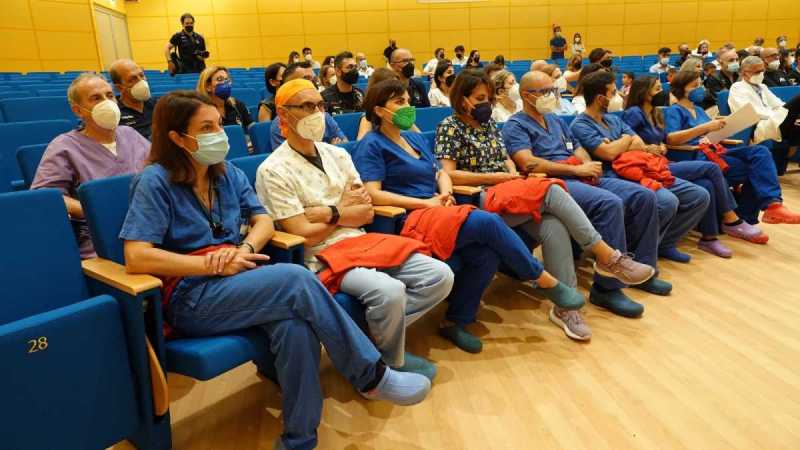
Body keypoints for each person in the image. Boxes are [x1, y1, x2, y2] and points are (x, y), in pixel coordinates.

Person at [122, 91, 432, 450]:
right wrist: (207, 263)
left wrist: (245, 249)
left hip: (237, 277)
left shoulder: (226, 173)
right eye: (206, 128)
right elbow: (137, 256)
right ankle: (370, 374)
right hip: (191, 295)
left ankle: (299, 439)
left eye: (219, 125)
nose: (219, 134)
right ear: (177, 138)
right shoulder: (154, 181)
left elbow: (263, 220)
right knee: (297, 278)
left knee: (294, 327)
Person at [354, 78, 587, 352]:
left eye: (407, 100)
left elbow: (440, 172)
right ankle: (542, 279)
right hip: (409, 217)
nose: (407, 106)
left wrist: (445, 192)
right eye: (398, 102)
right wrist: (426, 203)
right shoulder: (372, 144)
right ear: (379, 110)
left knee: (485, 254)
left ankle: (455, 321)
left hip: (439, 208)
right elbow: (374, 194)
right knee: (487, 221)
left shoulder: (413, 138)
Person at [433, 70, 654, 340]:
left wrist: (511, 171)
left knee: (554, 225)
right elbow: (449, 174)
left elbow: (506, 158)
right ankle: (608, 257)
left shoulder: (489, 125)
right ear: (462, 99)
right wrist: (500, 177)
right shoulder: (450, 127)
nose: (486, 104)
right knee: (551, 188)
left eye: (489, 98)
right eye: (480, 98)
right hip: (480, 197)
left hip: (510, 190)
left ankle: (565, 308)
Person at [257, 79, 454, 380]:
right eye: (307, 106)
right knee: (389, 292)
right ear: (283, 114)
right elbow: (303, 234)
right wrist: (344, 210)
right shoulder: (273, 169)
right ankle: (389, 360)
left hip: (360, 240)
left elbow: (366, 212)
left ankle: (368, 336)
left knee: (439, 276)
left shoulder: (338, 154)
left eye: (320, 105)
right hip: (322, 256)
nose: (317, 113)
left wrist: (329, 212)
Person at [502, 71, 665, 317]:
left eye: (554, 90)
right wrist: (575, 170)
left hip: (579, 175)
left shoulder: (555, 120)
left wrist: (588, 166)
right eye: (546, 91)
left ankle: (643, 269)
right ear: (526, 95)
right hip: (553, 182)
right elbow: (527, 162)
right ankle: (607, 289)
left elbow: (577, 148)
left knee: (643, 196)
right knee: (609, 203)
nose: (553, 95)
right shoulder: (515, 125)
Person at [571, 71, 709, 264]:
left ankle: (663, 243)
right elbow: (608, 154)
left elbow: (640, 144)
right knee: (667, 202)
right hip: (614, 174)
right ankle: (636, 253)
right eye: (613, 92)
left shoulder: (613, 119)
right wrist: (626, 140)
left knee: (699, 195)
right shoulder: (580, 124)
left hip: (643, 168)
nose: (617, 96)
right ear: (600, 98)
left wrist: (619, 143)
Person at [623, 75, 765, 257]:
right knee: (711, 169)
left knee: (706, 184)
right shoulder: (634, 113)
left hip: (661, 162)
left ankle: (709, 239)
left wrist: (661, 146)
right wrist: (647, 147)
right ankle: (731, 218)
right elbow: (626, 139)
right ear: (644, 93)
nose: (662, 92)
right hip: (648, 166)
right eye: (657, 89)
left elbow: (663, 140)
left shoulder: (655, 113)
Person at [32, 73, 150, 259]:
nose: (107, 103)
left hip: (151, 226)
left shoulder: (130, 134)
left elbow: (160, 171)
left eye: (109, 96)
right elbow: (45, 195)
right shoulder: (65, 146)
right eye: (96, 98)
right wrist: (94, 209)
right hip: (104, 237)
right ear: (77, 110)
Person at [665, 69, 800, 225]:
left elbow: (710, 133)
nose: (700, 89)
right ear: (681, 88)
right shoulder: (673, 110)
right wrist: (705, 127)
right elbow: (671, 138)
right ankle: (747, 216)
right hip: (698, 157)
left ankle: (773, 206)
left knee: (761, 152)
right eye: (694, 86)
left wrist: (723, 127)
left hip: (717, 150)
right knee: (758, 169)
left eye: (700, 85)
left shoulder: (699, 110)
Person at [269, 62, 347, 152]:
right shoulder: (280, 125)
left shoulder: (324, 115)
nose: (312, 83)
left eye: (313, 79)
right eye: (306, 79)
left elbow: (344, 146)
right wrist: (331, 149)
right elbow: (290, 157)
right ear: (288, 84)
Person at [196, 66, 252, 132]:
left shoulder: (237, 105)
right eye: (220, 79)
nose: (225, 83)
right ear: (208, 87)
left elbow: (252, 127)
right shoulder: (200, 112)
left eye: (227, 79)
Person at [109, 59, 155, 139]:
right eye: (132, 79)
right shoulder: (114, 113)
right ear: (120, 87)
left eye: (142, 75)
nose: (141, 81)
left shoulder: (156, 104)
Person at [321, 51, 365, 115]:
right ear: (338, 71)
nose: (354, 70)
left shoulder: (360, 94)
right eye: (349, 67)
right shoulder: (325, 97)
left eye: (355, 67)